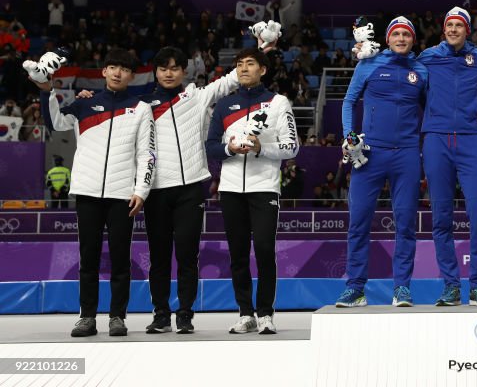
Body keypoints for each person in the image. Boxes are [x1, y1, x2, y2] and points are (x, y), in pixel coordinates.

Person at [34, 48, 155, 337]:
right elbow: (54, 122)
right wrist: (46, 91)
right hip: (87, 192)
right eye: (112, 67)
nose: (117, 72)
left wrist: (142, 191)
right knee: (88, 257)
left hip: (122, 194)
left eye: (123, 69)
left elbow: (147, 153)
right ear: (103, 72)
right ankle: (87, 316)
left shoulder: (141, 108)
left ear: (131, 75)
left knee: (120, 258)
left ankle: (117, 317)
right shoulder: (84, 104)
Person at [140, 46, 240, 335]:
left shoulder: (196, 97)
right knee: (159, 257)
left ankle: (184, 313)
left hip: (190, 190)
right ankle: (160, 314)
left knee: (187, 255)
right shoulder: (142, 105)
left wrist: (260, 49)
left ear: (184, 70)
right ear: (155, 72)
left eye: (174, 68)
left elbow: (229, 81)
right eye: (163, 68)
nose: (168, 73)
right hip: (156, 191)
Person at [335, 17, 427, 308]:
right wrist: (349, 136)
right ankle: (355, 288)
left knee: (406, 224)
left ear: (412, 40)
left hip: (407, 155)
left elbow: (433, 106)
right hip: (370, 154)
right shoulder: (368, 64)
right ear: (387, 39)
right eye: (396, 34)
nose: (401, 38)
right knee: (359, 222)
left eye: (406, 34)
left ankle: (402, 288)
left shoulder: (421, 70)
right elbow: (349, 101)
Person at [205, 48, 298, 335]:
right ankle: (245, 313)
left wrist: (261, 148)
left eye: (250, 64)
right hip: (231, 189)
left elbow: (292, 147)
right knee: (238, 253)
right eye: (240, 64)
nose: (244, 68)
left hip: (264, 187)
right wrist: (228, 149)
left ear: (263, 70)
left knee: (265, 250)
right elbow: (210, 147)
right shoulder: (223, 105)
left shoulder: (278, 103)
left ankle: (266, 313)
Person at [419, 8, 477, 307]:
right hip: (436, 139)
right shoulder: (427, 56)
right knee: (441, 218)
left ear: (467, 30)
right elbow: (404, 71)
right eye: (448, 24)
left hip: (470, 139)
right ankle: (451, 286)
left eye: (458, 25)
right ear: (443, 29)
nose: (453, 29)